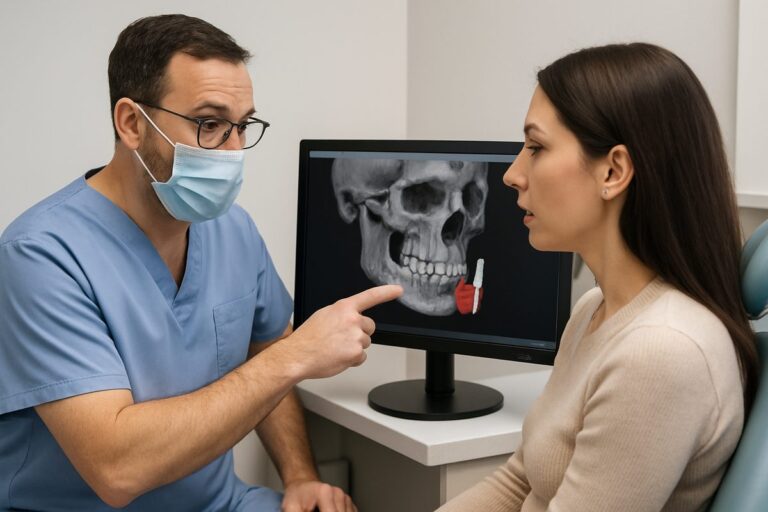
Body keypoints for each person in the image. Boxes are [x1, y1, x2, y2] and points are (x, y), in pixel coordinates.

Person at [0, 14, 402, 512]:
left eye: (243, 126)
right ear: (131, 123)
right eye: (210, 125)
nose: (233, 152)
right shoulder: (41, 255)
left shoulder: (233, 231)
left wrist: (300, 478)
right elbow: (117, 471)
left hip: (220, 504)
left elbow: (263, 350)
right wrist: (295, 355)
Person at [437, 43, 759, 512]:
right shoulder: (595, 309)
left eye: (536, 147)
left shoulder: (661, 351)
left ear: (613, 171)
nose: (512, 174)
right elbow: (518, 483)